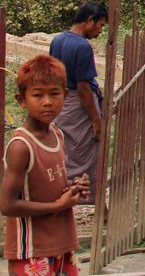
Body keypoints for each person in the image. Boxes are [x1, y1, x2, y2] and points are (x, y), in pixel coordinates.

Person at [1, 55, 90, 276]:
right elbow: (7, 205)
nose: (47, 101)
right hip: (32, 250)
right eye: (37, 95)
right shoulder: (21, 146)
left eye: (54, 94)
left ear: (65, 96)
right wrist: (58, 206)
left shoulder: (56, 135)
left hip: (62, 243)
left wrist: (73, 187)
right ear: (22, 100)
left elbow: (44, 184)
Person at [49, 1, 107, 205]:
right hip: (78, 104)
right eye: (100, 25)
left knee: (67, 150)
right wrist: (96, 119)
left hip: (63, 103)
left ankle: (60, 195)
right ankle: (90, 201)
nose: (100, 31)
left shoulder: (57, 40)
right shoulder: (82, 46)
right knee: (88, 154)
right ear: (89, 20)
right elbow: (83, 87)